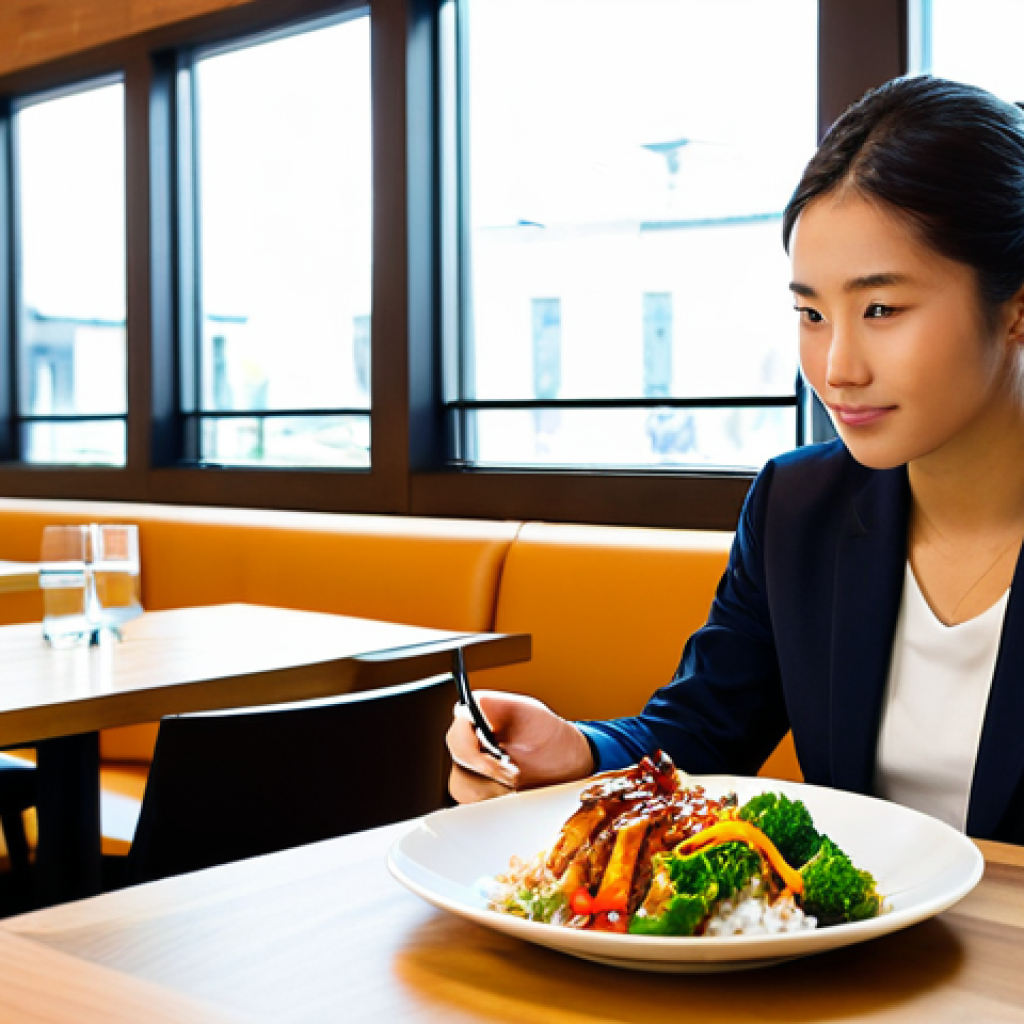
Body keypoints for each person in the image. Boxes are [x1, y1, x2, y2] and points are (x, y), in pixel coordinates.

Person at [447, 75, 1024, 845]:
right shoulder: (798, 507)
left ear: (1015, 305)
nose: (837, 367)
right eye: (811, 314)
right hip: (864, 961)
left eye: (881, 309)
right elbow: (703, 733)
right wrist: (576, 753)